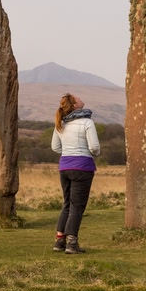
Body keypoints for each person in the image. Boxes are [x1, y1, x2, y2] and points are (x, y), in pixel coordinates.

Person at [51, 93, 100, 254]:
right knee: (77, 206)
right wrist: (94, 153)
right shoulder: (87, 122)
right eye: (77, 98)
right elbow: (94, 146)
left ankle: (59, 241)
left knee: (67, 203)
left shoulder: (61, 123)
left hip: (64, 167)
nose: (80, 98)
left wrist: (68, 151)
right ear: (75, 106)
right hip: (82, 167)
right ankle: (72, 243)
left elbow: (55, 147)